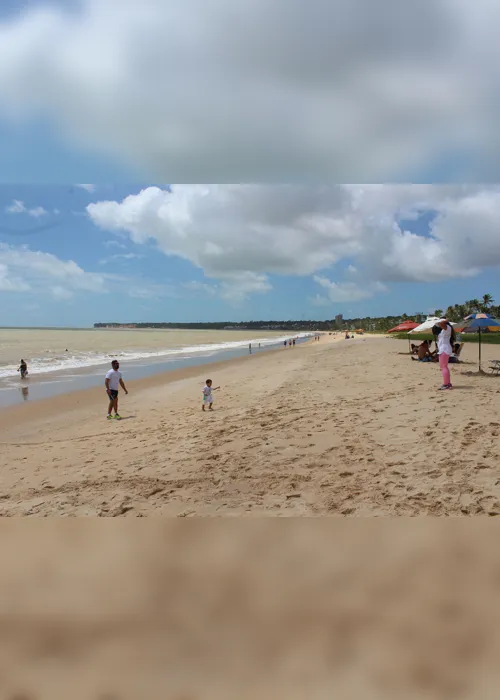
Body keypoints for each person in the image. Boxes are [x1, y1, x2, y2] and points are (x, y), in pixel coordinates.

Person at [436, 319, 455, 390]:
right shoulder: (444, 330)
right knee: (444, 367)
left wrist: (444, 320)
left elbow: (441, 324)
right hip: (443, 349)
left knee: (444, 367)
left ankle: (446, 384)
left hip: (444, 349)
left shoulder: (448, 328)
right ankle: (447, 383)